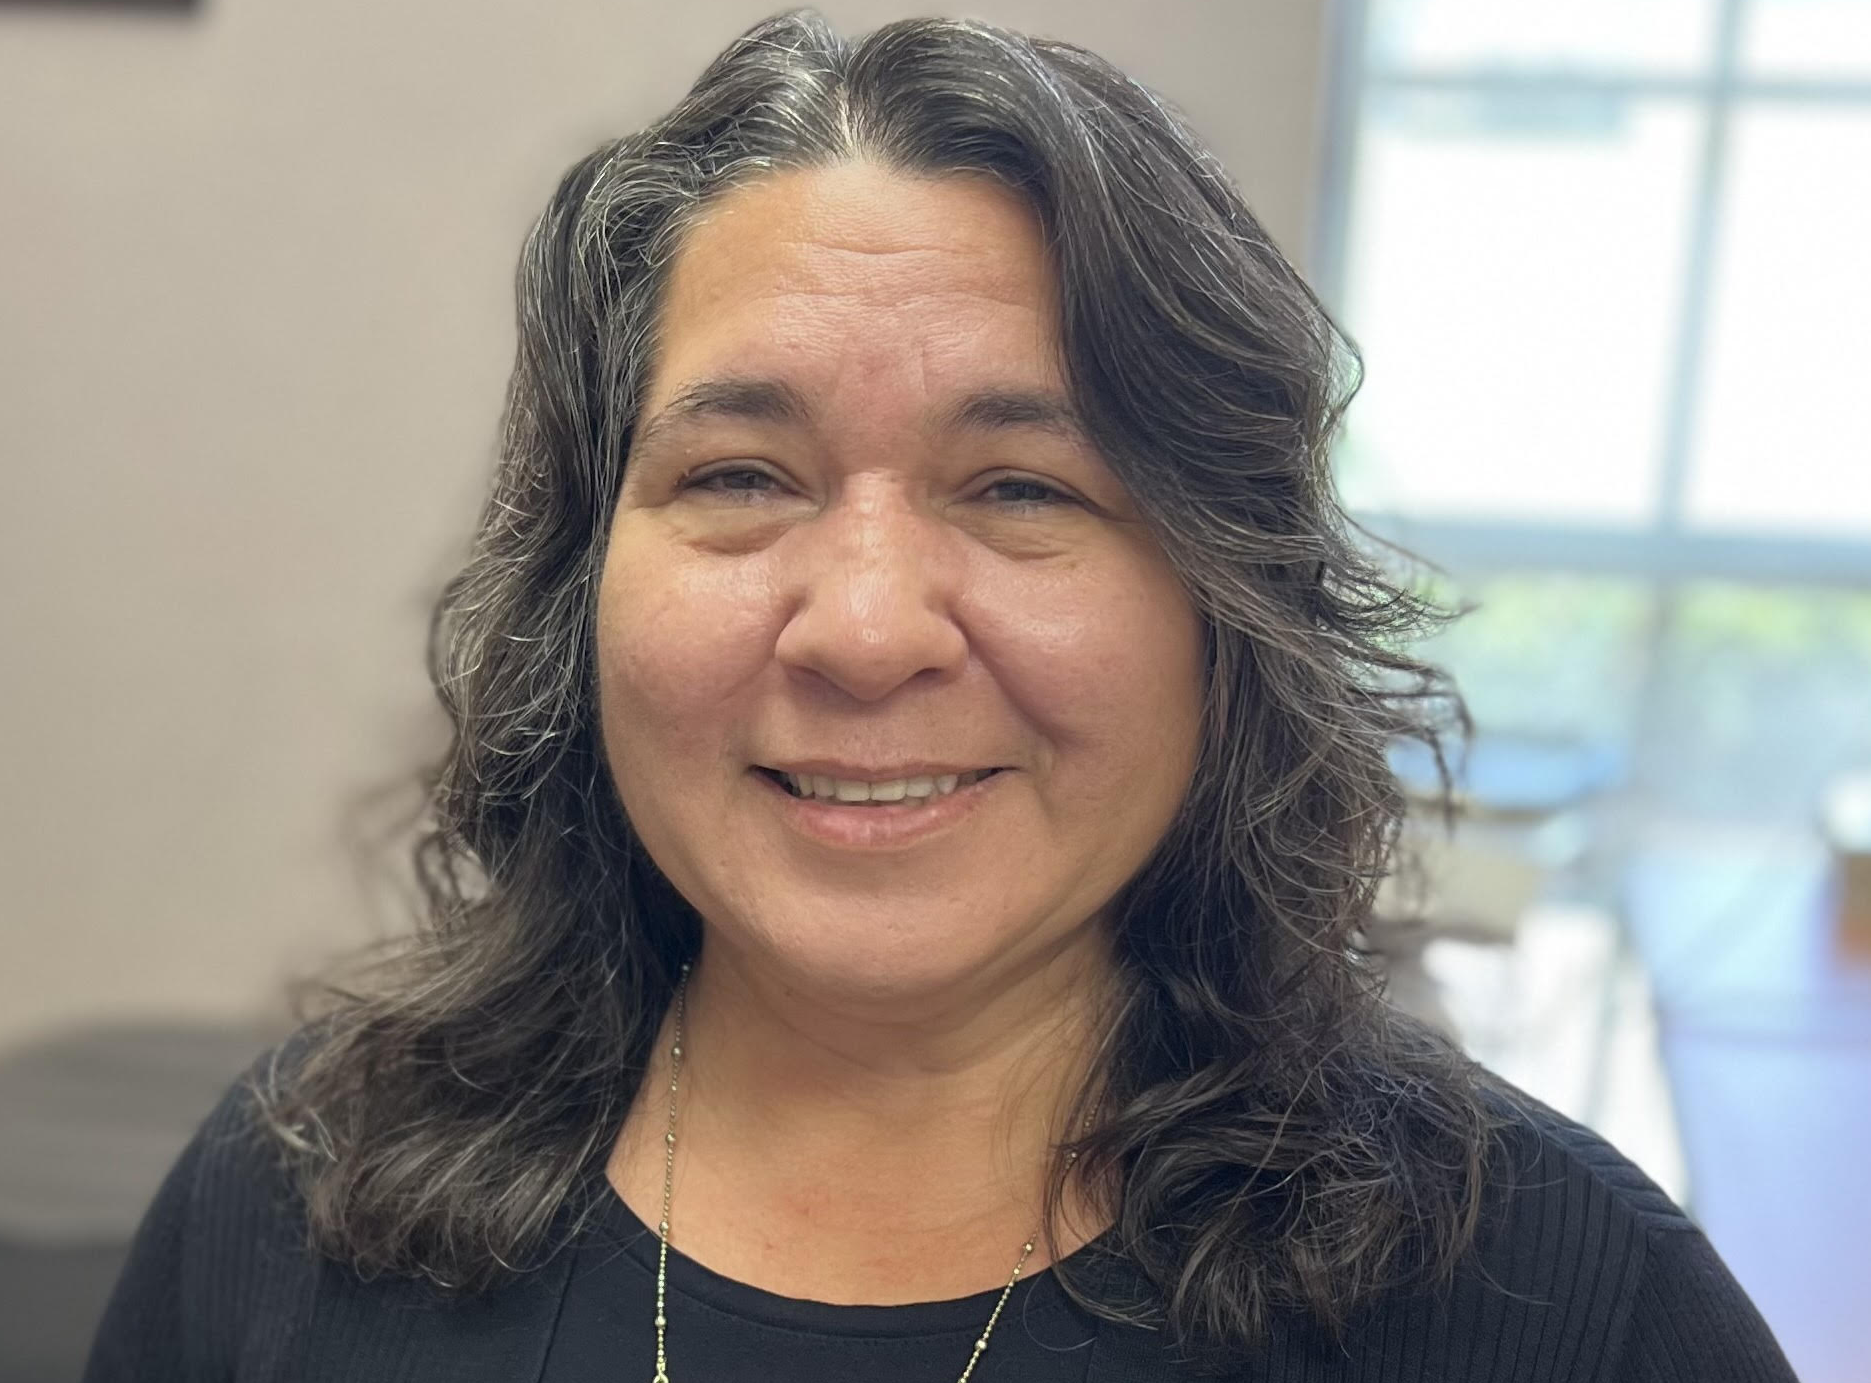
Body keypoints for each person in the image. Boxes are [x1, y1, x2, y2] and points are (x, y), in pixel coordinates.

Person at [83, 10, 1797, 1382]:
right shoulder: (293, 1204)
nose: (865, 628)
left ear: (1227, 597)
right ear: (579, 583)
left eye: (1022, 488)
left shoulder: (1553, 1303)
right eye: (742, 475)